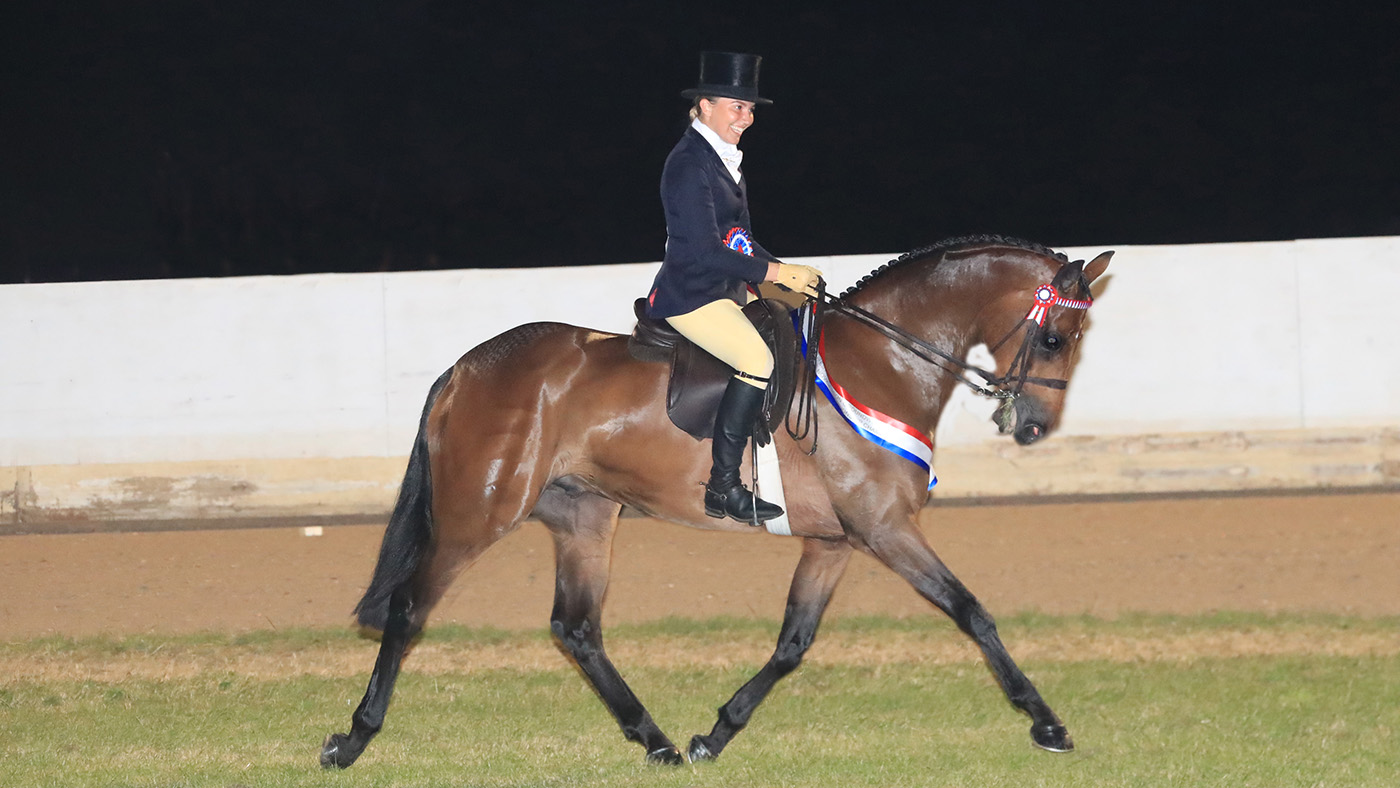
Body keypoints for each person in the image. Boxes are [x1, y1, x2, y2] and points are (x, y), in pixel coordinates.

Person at [645, 51, 821, 525]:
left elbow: (737, 238)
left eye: (749, 109)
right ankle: (723, 487)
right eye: (734, 107)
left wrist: (782, 268)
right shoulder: (689, 164)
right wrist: (776, 276)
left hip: (724, 290)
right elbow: (704, 250)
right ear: (704, 106)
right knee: (755, 359)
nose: (745, 118)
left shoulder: (725, 161)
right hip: (692, 293)